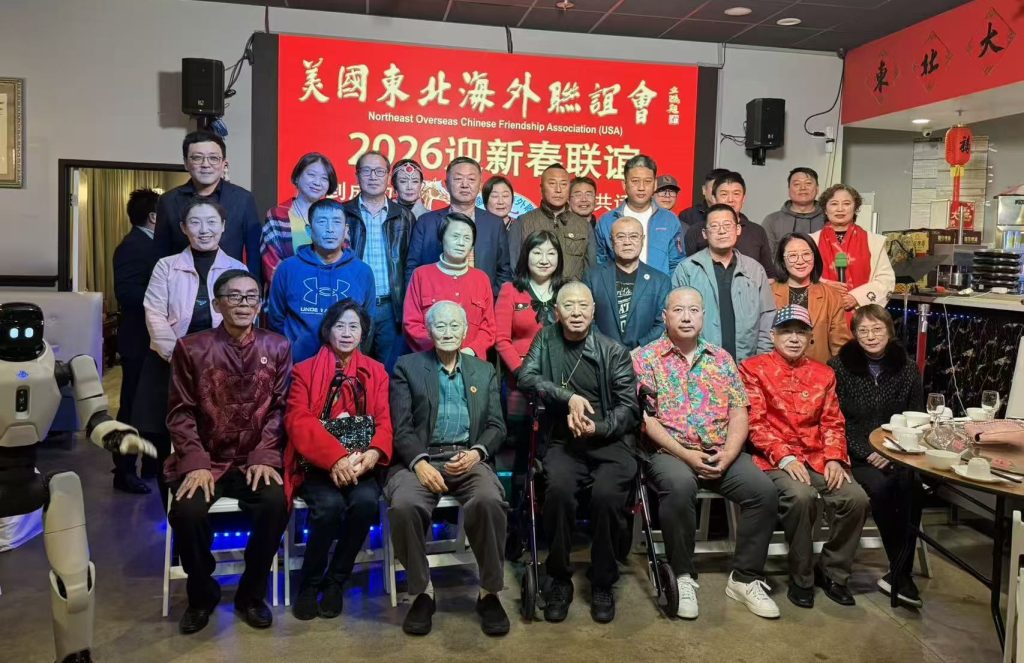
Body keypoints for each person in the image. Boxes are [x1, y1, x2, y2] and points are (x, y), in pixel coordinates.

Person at [633, 287, 780, 620]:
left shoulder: (721, 358)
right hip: (669, 451)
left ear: (703, 316)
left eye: (693, 310)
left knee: (763, 491)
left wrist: (729, 454)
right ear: (665, 316)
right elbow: (645, 420)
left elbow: (739, 412)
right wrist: (687, 456)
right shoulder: (645, 359)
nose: (686, 317)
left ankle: (745, 579)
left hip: (719, 449)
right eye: (678, 310)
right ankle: (683, 575)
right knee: (680, 486)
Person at [164, 269, 292, 634]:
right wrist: (195, 462)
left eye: (251, 297)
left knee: (275, 503)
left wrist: (264, 455)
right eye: (234, 296)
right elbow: (180, 412)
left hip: (254, 459)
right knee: (186, 513)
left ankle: (251, 593)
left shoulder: (277, 346)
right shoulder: (192, 348)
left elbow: (280, 409)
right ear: (217, 304)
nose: (244, 304)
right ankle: (202, 593)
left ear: (260, 304)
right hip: (207, 459)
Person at [517, 281, 639, 624]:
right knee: (557, 491)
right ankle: (559, 578)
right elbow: (526, 377)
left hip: (609, 441)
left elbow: (629, 409)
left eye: (583, 305)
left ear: (593, 310)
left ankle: (602, 581)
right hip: (563, 441)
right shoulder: (546, 340)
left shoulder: (613, 351)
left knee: (606, 496)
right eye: (568, 306)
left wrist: (597, 428)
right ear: (556, 312)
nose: (576, 312)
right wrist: (567, 397)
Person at [386, 301, 510, 637]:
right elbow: (401, 427)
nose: (448, 332)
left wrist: (477, 453)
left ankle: (489, 593)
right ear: (428, 331)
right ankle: (422, 593)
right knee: (404, 505)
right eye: (440, 326)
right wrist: (419, 462)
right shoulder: (407, 367)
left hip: (468, 458)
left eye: (455, 325)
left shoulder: (483, 370)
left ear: (466, 330)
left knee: (489, 501)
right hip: (420, 459)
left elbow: (497, 426)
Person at [741, 305, 869, 610]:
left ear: (810, 337)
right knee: (801, 497)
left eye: (801, 332)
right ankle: (802, 578)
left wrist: (835, 458)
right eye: (786, 331)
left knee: (856, 499)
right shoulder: (753, 368)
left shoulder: (824, 374)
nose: (794, 338)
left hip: (818, 456)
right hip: (772, 459)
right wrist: (784, 457)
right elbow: (754, 423)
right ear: (773, 335)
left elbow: (832, 421)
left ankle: (834, 572)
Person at [134, 197, 247, 506]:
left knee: (216, 437)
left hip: (221, 368)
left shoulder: (237, 269)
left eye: (211, 222)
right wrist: (180, 358)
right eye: (195, 223)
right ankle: (173, 512)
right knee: (164, 442)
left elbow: (243, 318)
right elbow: (154, 314)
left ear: (223, 227)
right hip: (168, 366)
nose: (204, 230)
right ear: (184, 228)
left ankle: (207, 503)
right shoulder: (166, 267)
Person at [284, 299, 393, 620]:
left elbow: (384, 420)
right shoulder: (303, 371)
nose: (346, 333)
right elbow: (297, 421)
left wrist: (374, 453)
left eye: (354, 326)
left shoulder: (376, 371)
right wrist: (334, 459)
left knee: (365, 504)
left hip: (361, 463)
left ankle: (335, 581)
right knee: (329, 508)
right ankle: (309, 583)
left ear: (363, 333)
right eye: (340, 326)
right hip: (317, 464)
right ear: (327, 330)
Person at [828, 305, 925, 607]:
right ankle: (901, 574)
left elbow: (917, 418)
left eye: (877, 329)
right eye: (863, 331)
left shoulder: (907, 368)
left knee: (912, 487)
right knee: (882, 489)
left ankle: (899, 572)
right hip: (857, 454)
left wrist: (892, 451)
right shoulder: (838, 367)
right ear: (855, 335)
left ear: (889, 331)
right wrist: (869, 450)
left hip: (897, 452)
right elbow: (834, 419)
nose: (871, 336)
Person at [266, 198, 376, 364]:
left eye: (336, 222)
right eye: (322, 222)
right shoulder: (288, 268)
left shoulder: (362, 271)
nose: (330, 229)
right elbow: (276, 319)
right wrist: (293, 350)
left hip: (346, 367)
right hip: (298, 365)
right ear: (309, 230)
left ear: (346, 230)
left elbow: (368, 323)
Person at [154, 130, 262, 283]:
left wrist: (254, 288)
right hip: (181, 285)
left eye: (213, 158)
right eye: (197, 158)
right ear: (186, 163)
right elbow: (160, 252)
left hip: (230, 286)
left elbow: (254, 253)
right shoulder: (168, 201)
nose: (206, 164)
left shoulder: (243, 199)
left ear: (224, 163)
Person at [671, 204, 774, 362]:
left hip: (747, 365)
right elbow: (676, 320)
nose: (721, 231)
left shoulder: (755, 270)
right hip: (700, 364)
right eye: (714, 226)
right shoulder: (687, 269)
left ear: (737, 229)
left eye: (727, 225)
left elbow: (767, 317)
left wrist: (760, 361)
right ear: (705, 234)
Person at [342, 151, 416, 373]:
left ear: (388, 176)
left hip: (391, 308)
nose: (373, 176)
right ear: (357, 175)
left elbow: (410, 265)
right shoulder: (343, 213)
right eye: (366, 171)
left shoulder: (404, 216)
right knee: (350, 369)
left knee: (389, 372)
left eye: (379, 171)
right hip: (352, 305)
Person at [111, 187, 160, 494]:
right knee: (131, 409)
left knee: (152, 406)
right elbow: (127, 293)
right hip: (138, 340)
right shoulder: (132, 246)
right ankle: (124, 470)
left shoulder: (152, 244)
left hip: (152, 342)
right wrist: (164, 300)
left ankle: (151, 464)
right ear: (154, 217)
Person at [406, 156, 512, 296]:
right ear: (446, 184)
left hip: (481, 303)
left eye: (471, 179)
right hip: (436, 304)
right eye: (458, 179)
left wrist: (488, 299)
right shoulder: (426, 222)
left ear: (480, 185)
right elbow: (412, 269)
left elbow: (504, 272)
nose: (465, 185)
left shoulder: (494, 224)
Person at [404, 213, 495, 358]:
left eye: (467, 238)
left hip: (471, 361)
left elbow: (488, 327)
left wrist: (470, 351)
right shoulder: (421, 275)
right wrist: (443, 350)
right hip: (430, 360)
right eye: (455, 236)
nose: (461, 243)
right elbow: (411, 323)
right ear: (441, 239)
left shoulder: (481, 279)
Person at [583, 216, 670, 350]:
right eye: (620, 237)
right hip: (603, 353)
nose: (627, 242)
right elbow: (588, 318)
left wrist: (639, 349)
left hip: (645, 355)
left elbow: (662, 323)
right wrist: (609, 349)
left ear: (642, 240)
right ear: (611, 241)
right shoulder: (593, 277)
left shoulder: (660, 281)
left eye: (634, 236)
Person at [812, 183, 895, 311]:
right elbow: (800, 278)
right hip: (821, 311)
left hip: (861, 314)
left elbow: (885, 279)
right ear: (825, 209)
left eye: (846, 203)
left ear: (855, 208)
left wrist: (857, 297)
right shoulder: (811, 241)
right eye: (834, 204)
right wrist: (824, 285)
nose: (840, 209)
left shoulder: (873, 242)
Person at [596, 155, 683, 276]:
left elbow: (677, 264)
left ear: (655, 184)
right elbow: (600, 263)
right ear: (624, 184)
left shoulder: (669, 220)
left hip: (659, 288)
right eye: (635, 181)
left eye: (647, 181)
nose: (641, 187)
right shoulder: (607, 221)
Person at [771, 232, 852, 364]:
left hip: (819, 369)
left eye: (806, 254)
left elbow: (839, 344)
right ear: (782, 262)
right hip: (777, 370)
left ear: (815, 257)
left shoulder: (831, 295)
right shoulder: (769, 293)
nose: (800, 261)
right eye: (792, 256)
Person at [260, 152, 338, 284]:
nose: (317, 182)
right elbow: (271, 265)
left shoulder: (337, 217)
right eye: (311, 175)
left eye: (324, 178)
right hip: (288, 290)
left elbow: (344, 261)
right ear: (297, 177)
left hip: (330, 291)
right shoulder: (277, 216)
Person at [507, 163, 595, 280]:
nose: (558, 190)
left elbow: (591, 270)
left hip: (572, 291)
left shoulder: (583, 226)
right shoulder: (523, 222)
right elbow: (514, 267)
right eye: (552, 184)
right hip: (531, 290)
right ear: (541, 188)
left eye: (563, 184)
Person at [684, 171, 775, 278]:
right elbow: (688, 272)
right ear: (714, 198)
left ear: (743, 198)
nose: (730, 200)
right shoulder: (696, 231)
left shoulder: (757, 231)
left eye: (736, 194)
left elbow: (768, 276)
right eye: (724, 194)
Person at [762, 167, 826, 257]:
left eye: (808, 183)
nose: (803, 188)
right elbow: (766, 258)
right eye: (797, 184)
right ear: (789, 190)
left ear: (817, 189)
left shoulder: (828, 219)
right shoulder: (772, 221)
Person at [678, 168, 729, 234]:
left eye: (722, 188)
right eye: (715, 187)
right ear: (704, 190)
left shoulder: (737, 216)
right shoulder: (688, 216)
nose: (718, 192)